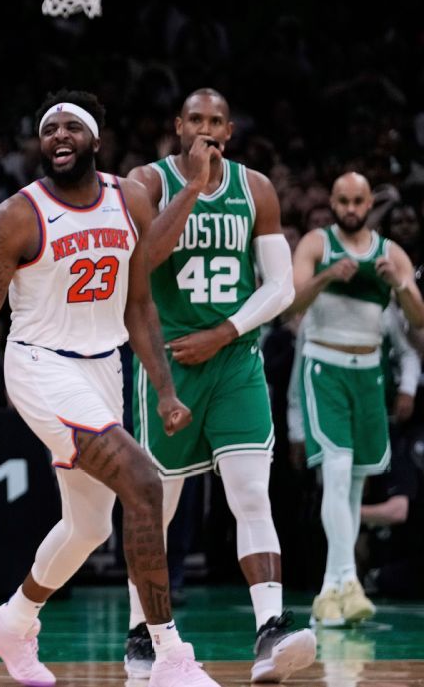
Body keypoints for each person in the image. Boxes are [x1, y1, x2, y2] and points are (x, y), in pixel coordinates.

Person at [0, 90, 217, 687]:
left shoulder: (130, 198)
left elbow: (140, 300)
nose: (59, 137)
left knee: (90, 527)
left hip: (103, 366)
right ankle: (169, 654)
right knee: (144, 482)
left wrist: (165, 389)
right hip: (40, 365)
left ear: (95, 139)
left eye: (72, 127)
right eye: (49, 129)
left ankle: (13, 620)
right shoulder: (18, 215)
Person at [125, 88, 315, 682]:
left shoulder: (256, 189)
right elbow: (142, 262)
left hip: (235, 359)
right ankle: (141, 632)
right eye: (195, 119)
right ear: (178, 126)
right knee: (157, 507)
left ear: (229, 131)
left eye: (216, 121)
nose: (205, 128)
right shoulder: (146, 183)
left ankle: (270, 630)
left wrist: (226, 331)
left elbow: (281, 287)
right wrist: (193, 186)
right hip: (168, 364)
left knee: (251, 495)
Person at [288, 172, 424, 626]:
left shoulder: (391, 253)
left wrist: (400, 284)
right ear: (332, 202)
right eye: (343, 200)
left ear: (369, 204)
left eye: (358, 201)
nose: (350, 208)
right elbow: (291, 303)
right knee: (337, 471)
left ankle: (332, 589)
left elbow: (419, 317)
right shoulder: (316, 244)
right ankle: (348, 580)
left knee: (354, 482)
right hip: (324, 366)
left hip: (369, 372)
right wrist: (327, 275)